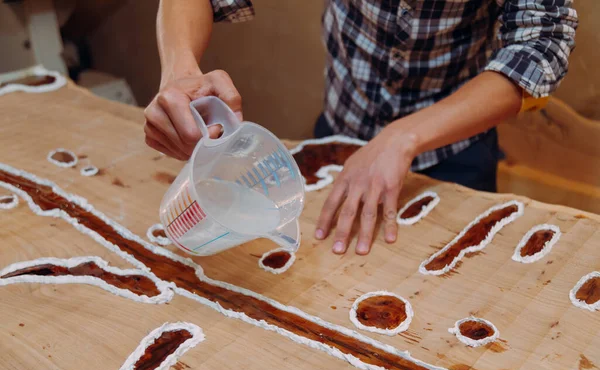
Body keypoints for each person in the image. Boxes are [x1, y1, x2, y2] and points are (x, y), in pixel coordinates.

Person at [144, 0, 577, 255]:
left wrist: (404, 136)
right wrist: (180, 71)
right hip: (339, 133)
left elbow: (541, 46)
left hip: (454, 153)